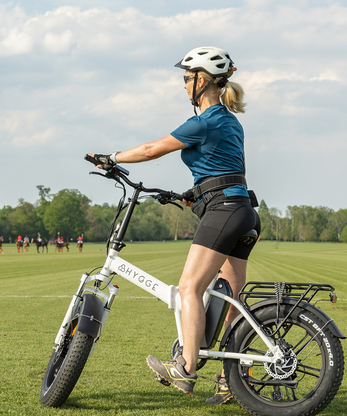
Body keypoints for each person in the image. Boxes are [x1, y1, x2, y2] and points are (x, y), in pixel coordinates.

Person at [88, 46, 260, 399]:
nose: (183, 84)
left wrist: (112, 157)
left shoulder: (204, 120)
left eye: (186, 77)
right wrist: (192, 193)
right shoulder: (230, 121)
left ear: (202, 80)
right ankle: (235, 378)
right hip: (243, 210)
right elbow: (223, 167)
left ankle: (185, 366)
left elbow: (152, 149)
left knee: (189, 289)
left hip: (223, 211)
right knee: (230, 298)